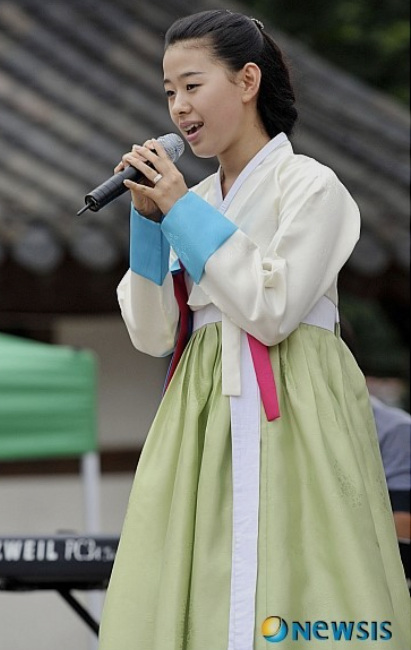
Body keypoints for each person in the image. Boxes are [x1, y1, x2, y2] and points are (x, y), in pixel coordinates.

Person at [99, 10, 410, 649]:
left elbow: (273, 311)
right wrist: (150, 224)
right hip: (203, 414)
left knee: (305, 577)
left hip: (295, 409)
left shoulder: (312, 186)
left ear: (247, 81)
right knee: (203, 589)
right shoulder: (194, 201)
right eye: (169, 92)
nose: (179, 107)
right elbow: (153, 334)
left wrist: (180, 210)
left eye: (192, 85)